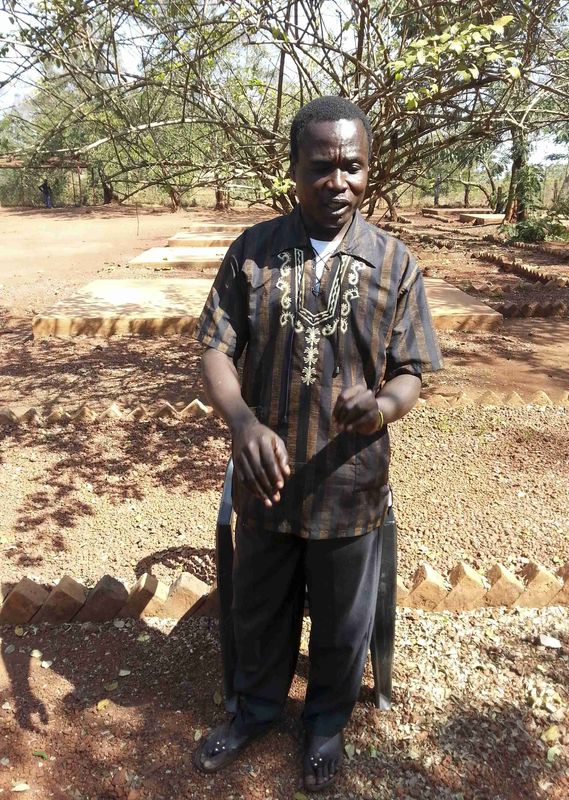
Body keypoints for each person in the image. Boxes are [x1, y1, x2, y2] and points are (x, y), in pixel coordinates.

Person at [194, 96, 442, 792]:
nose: (340, 182)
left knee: (342, 617)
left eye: (354, 167)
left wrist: (385, 404)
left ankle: (326, 723)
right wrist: (241, 420)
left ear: (370, 170)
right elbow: (214, 347)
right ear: (294, 171)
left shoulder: (395, 264)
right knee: (259, 606)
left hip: (349, 481)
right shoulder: (252, 253)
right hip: (266, 477)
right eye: (322, 167)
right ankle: (255, 711)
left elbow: (413, 369)